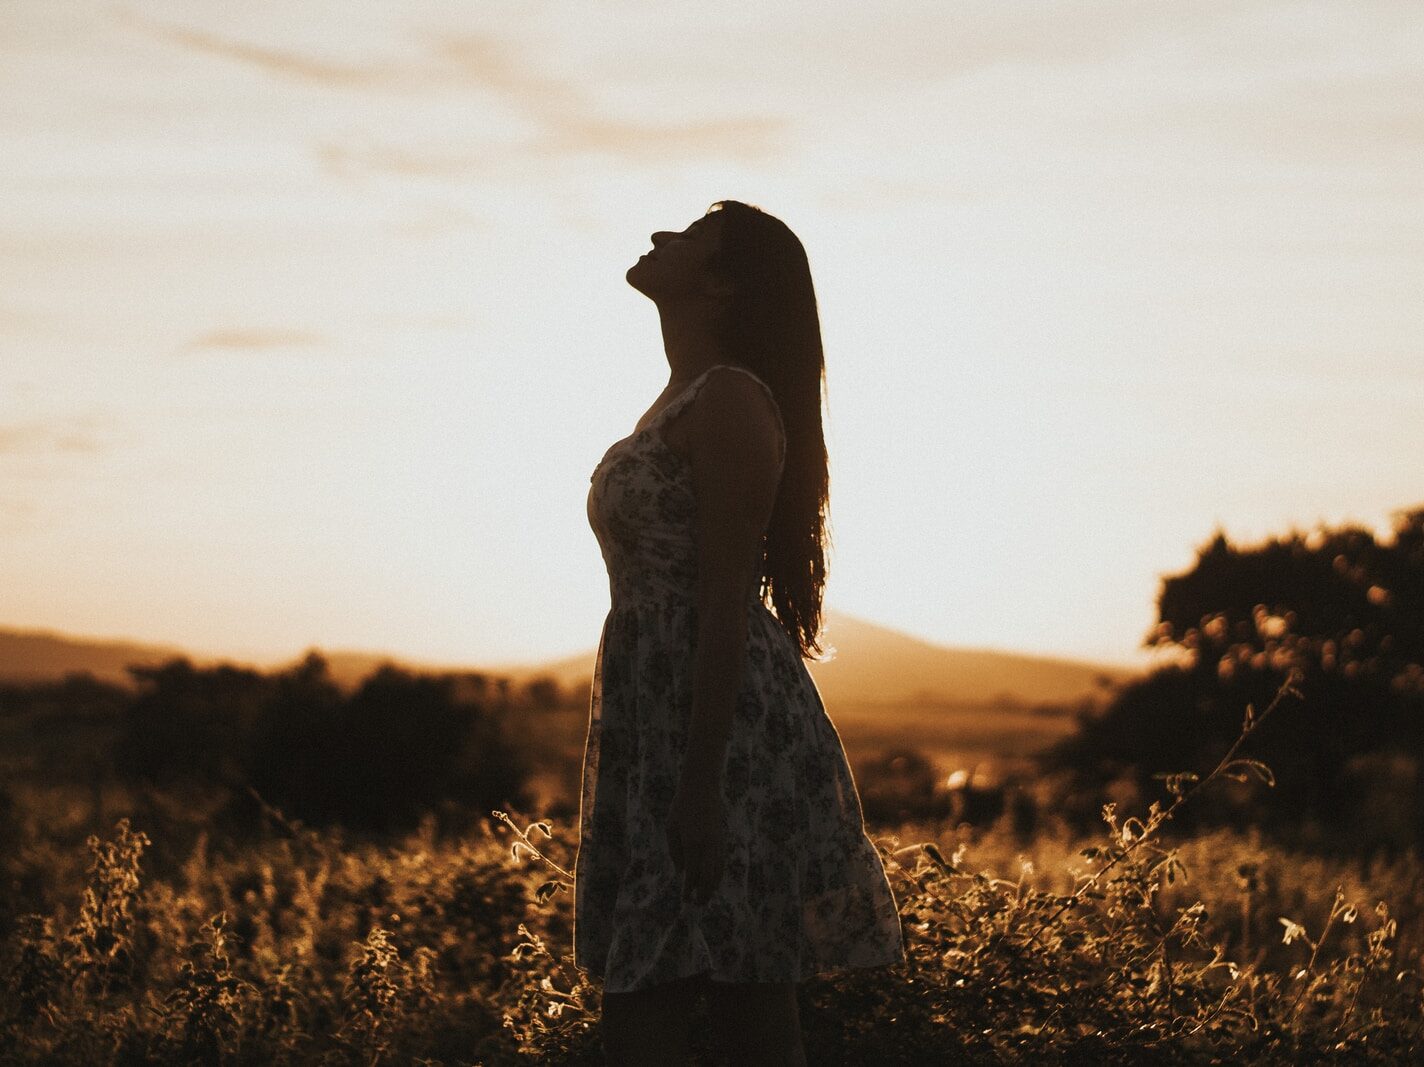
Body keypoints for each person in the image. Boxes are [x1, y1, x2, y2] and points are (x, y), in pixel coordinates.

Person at [575, 200, 905, 1065]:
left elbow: (725, 599)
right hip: (661, 725)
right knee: (722, 1008)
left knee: (723, 1009)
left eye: (687, 235)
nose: (657, 236)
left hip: (719, 737)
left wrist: (700, 785)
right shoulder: (680, 400)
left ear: (721, 285)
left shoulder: (728, 402)